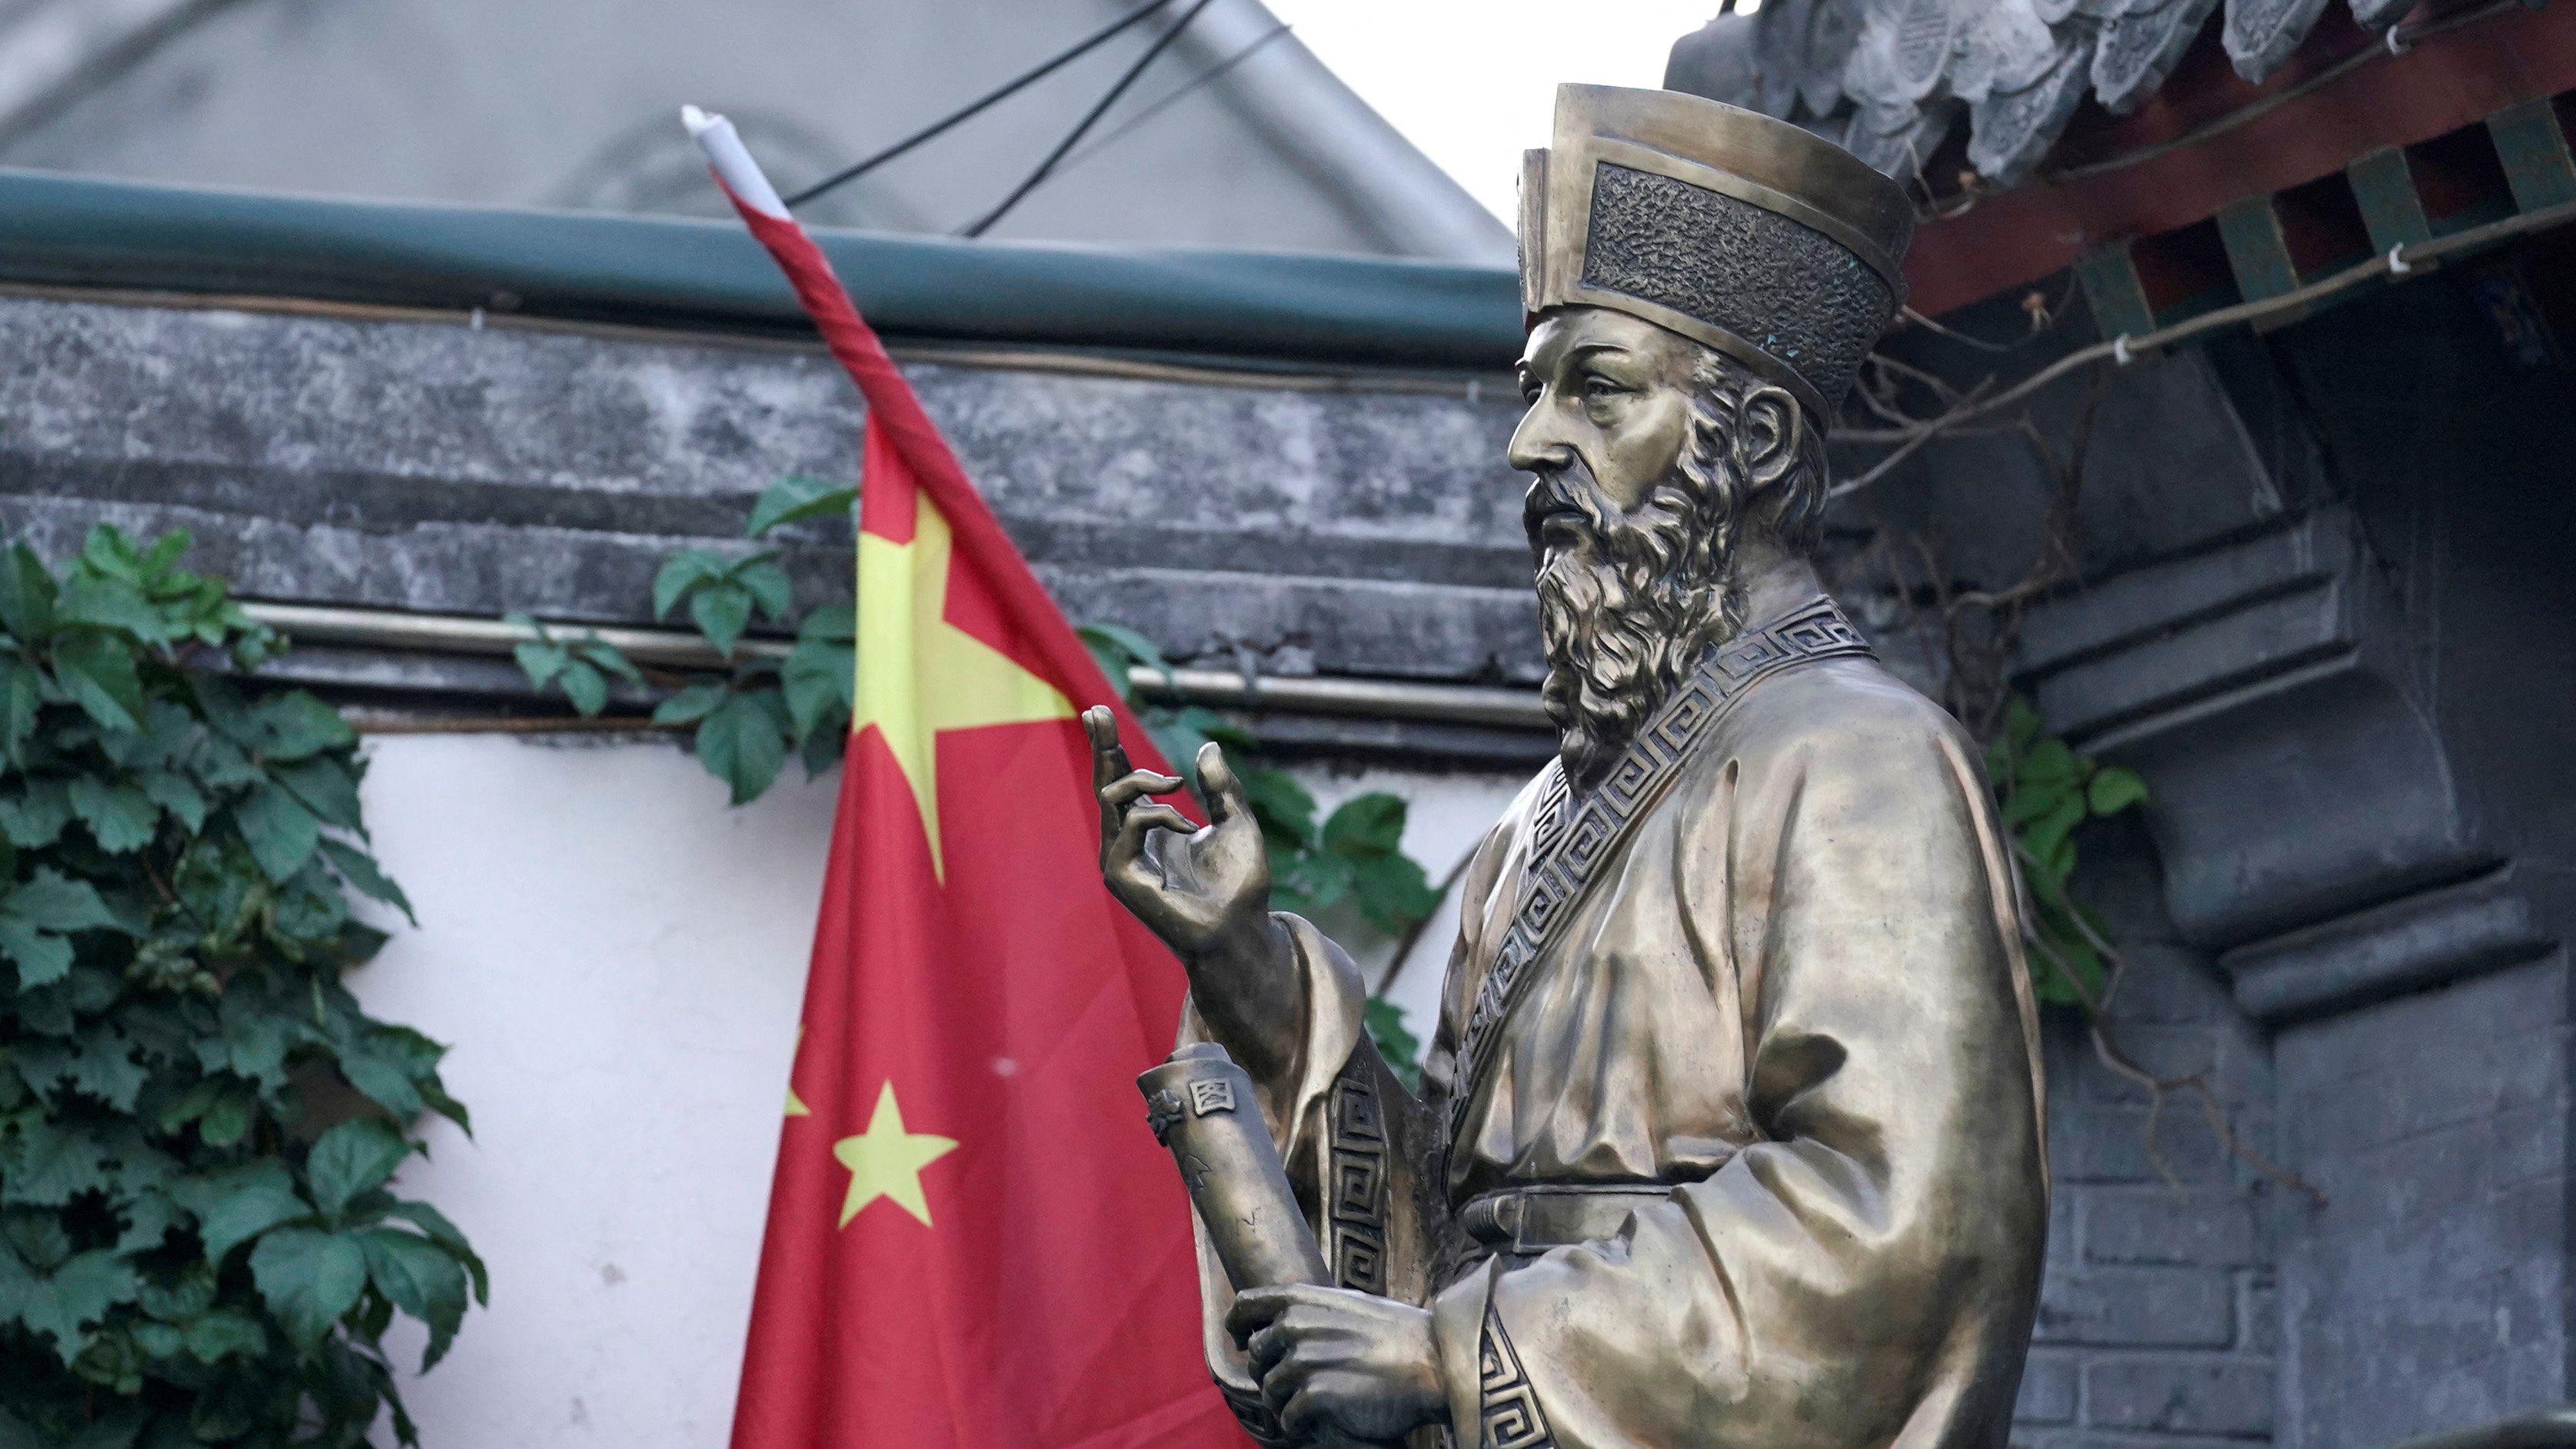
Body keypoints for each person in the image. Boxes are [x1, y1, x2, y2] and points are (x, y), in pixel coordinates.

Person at [1087, 83, 2048, 1449]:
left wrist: (1453, 1357)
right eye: (1531, 391)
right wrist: (1246, 972)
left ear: (1754, 446)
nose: (1530, 443)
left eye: (1596, 389)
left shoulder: (1860, 762)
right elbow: (1452, 1221)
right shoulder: (1536, 829)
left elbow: (1904, 1227)